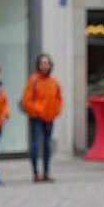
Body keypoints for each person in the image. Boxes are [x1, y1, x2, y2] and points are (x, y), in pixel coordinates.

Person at [21, 53, 63, 184]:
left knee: (47, 145)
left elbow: (59, 99)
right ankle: (35, 172)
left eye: (47, 63)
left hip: (49, 117)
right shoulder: (34, 80)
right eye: (42, 63)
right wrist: (36, 110)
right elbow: (26, 100)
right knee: (35, 145)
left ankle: (46, 172)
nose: (45, 65)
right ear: (38, 65)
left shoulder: (54, 81)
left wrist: (56, 112)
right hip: (37, 117)